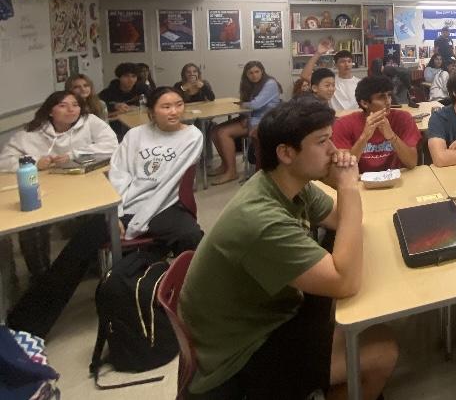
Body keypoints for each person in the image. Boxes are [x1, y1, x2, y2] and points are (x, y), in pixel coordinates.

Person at [179, 99, 397, 400]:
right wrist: (348, 185)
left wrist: (342, 190)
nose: (334, 150)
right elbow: (344, 282)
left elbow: (339, 219)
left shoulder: (287, 182)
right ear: (286, 153)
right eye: (322, 142)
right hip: (243, 351)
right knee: (380, 349)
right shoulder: (259, 219)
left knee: (358, 302)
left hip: (269, 311)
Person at [7, 86, 203, 337]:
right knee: (81, 244)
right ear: (152, 112)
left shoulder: (191, 136)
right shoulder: (135, 136)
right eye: (166, 106)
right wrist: (117, 212)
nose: (174, 111)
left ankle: (198, 300)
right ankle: (26, 323)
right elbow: (119, 174)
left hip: (165, 204)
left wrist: (137, 222)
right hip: (126, 202)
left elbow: (168, 184)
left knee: (191, 236)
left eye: (178, 105)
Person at [0, 90, 118, 282]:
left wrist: (74, 154)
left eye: (75, 105)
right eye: (63, 105)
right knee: (31, 226)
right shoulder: (31, 132)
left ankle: (90, 265)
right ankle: (40, 276)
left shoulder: (90, 122)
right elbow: (4, 161)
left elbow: (112, 146)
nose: (71, 110)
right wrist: (36, 163)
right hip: (46, 187)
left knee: (92, 219)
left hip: (84, 185)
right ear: (50, 111)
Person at [209, 61, 281, 185]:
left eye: (257, 71)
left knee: (222, 132)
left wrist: (243, 105)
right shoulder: (251, 85)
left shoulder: (270, 83)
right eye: (250, 73)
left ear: (262, 71)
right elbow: (250, 105)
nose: (254, 75)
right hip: (251, 117)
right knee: (215, 130)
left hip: (264, 120)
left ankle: (231, 172)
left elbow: (255, 104)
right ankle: (225, 165)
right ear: (246, 75)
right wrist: (244, 114)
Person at [332, 76, 420, 173]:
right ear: (365, 103)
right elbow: (345, 168)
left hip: (397, 180)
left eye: (389, 95)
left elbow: (412, 162)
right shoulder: (343, 124)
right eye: (381, 97)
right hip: (360, 182)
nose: (388, 102)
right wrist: (364, 137)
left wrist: (392, 137)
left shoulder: (403, 118)